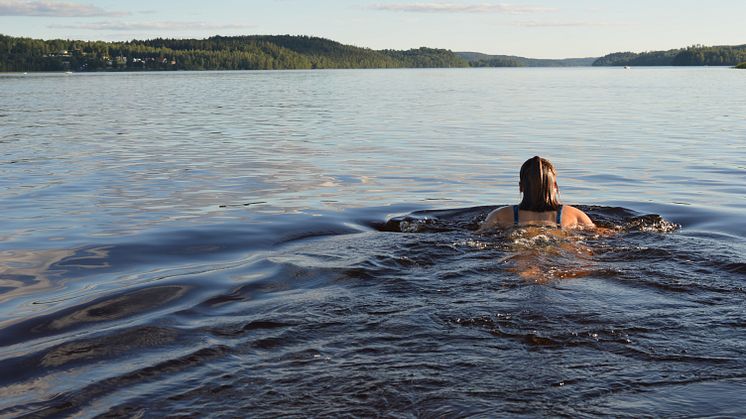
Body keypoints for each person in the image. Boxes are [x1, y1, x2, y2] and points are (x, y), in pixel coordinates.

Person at [479, 156, 595, 231]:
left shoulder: (500, 215)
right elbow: (598, 234)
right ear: (555, 186)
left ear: (521, 187)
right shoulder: (575, 215)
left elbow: (480, 234)